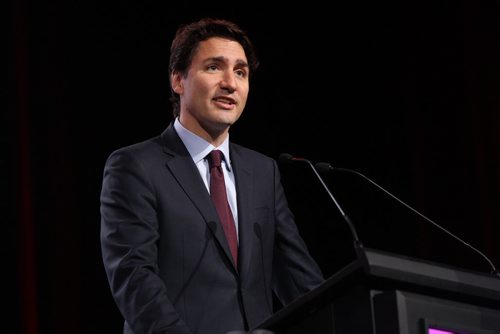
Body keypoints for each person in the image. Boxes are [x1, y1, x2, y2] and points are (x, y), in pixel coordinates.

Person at [100, 17, 324, 334]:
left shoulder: (263, 172)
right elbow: (133, 277)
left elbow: (301, 280)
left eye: (241, 72)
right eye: (214, 67)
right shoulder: (135, 166)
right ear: (178, 80)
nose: (230, 83)